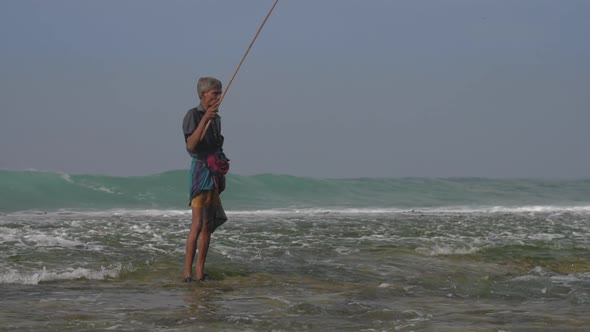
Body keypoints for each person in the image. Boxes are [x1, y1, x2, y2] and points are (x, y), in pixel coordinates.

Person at [181, 77, 229, 282]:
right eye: (215, 93)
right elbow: (191, 146)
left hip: (214, 173)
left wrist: (221, 174)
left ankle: (200, 272)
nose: (219, 97)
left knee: (208, 224)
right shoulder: (193, 115)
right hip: (200, 172)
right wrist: (205, 119)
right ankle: (187, 273)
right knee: (197, 224)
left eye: (220, 93)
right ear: (203, 95)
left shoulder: (217, 118)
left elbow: (217, 146)